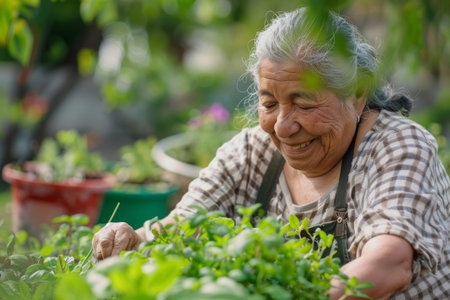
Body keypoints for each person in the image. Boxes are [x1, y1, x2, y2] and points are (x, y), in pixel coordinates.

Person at [92, 7, 449, 299]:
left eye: (303, 104)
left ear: (356, 95)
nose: (282, 126)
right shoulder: (250, 154)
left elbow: (388, 265)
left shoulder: (398, 147)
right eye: (269, 103)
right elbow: (182, 228)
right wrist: (134, 239)